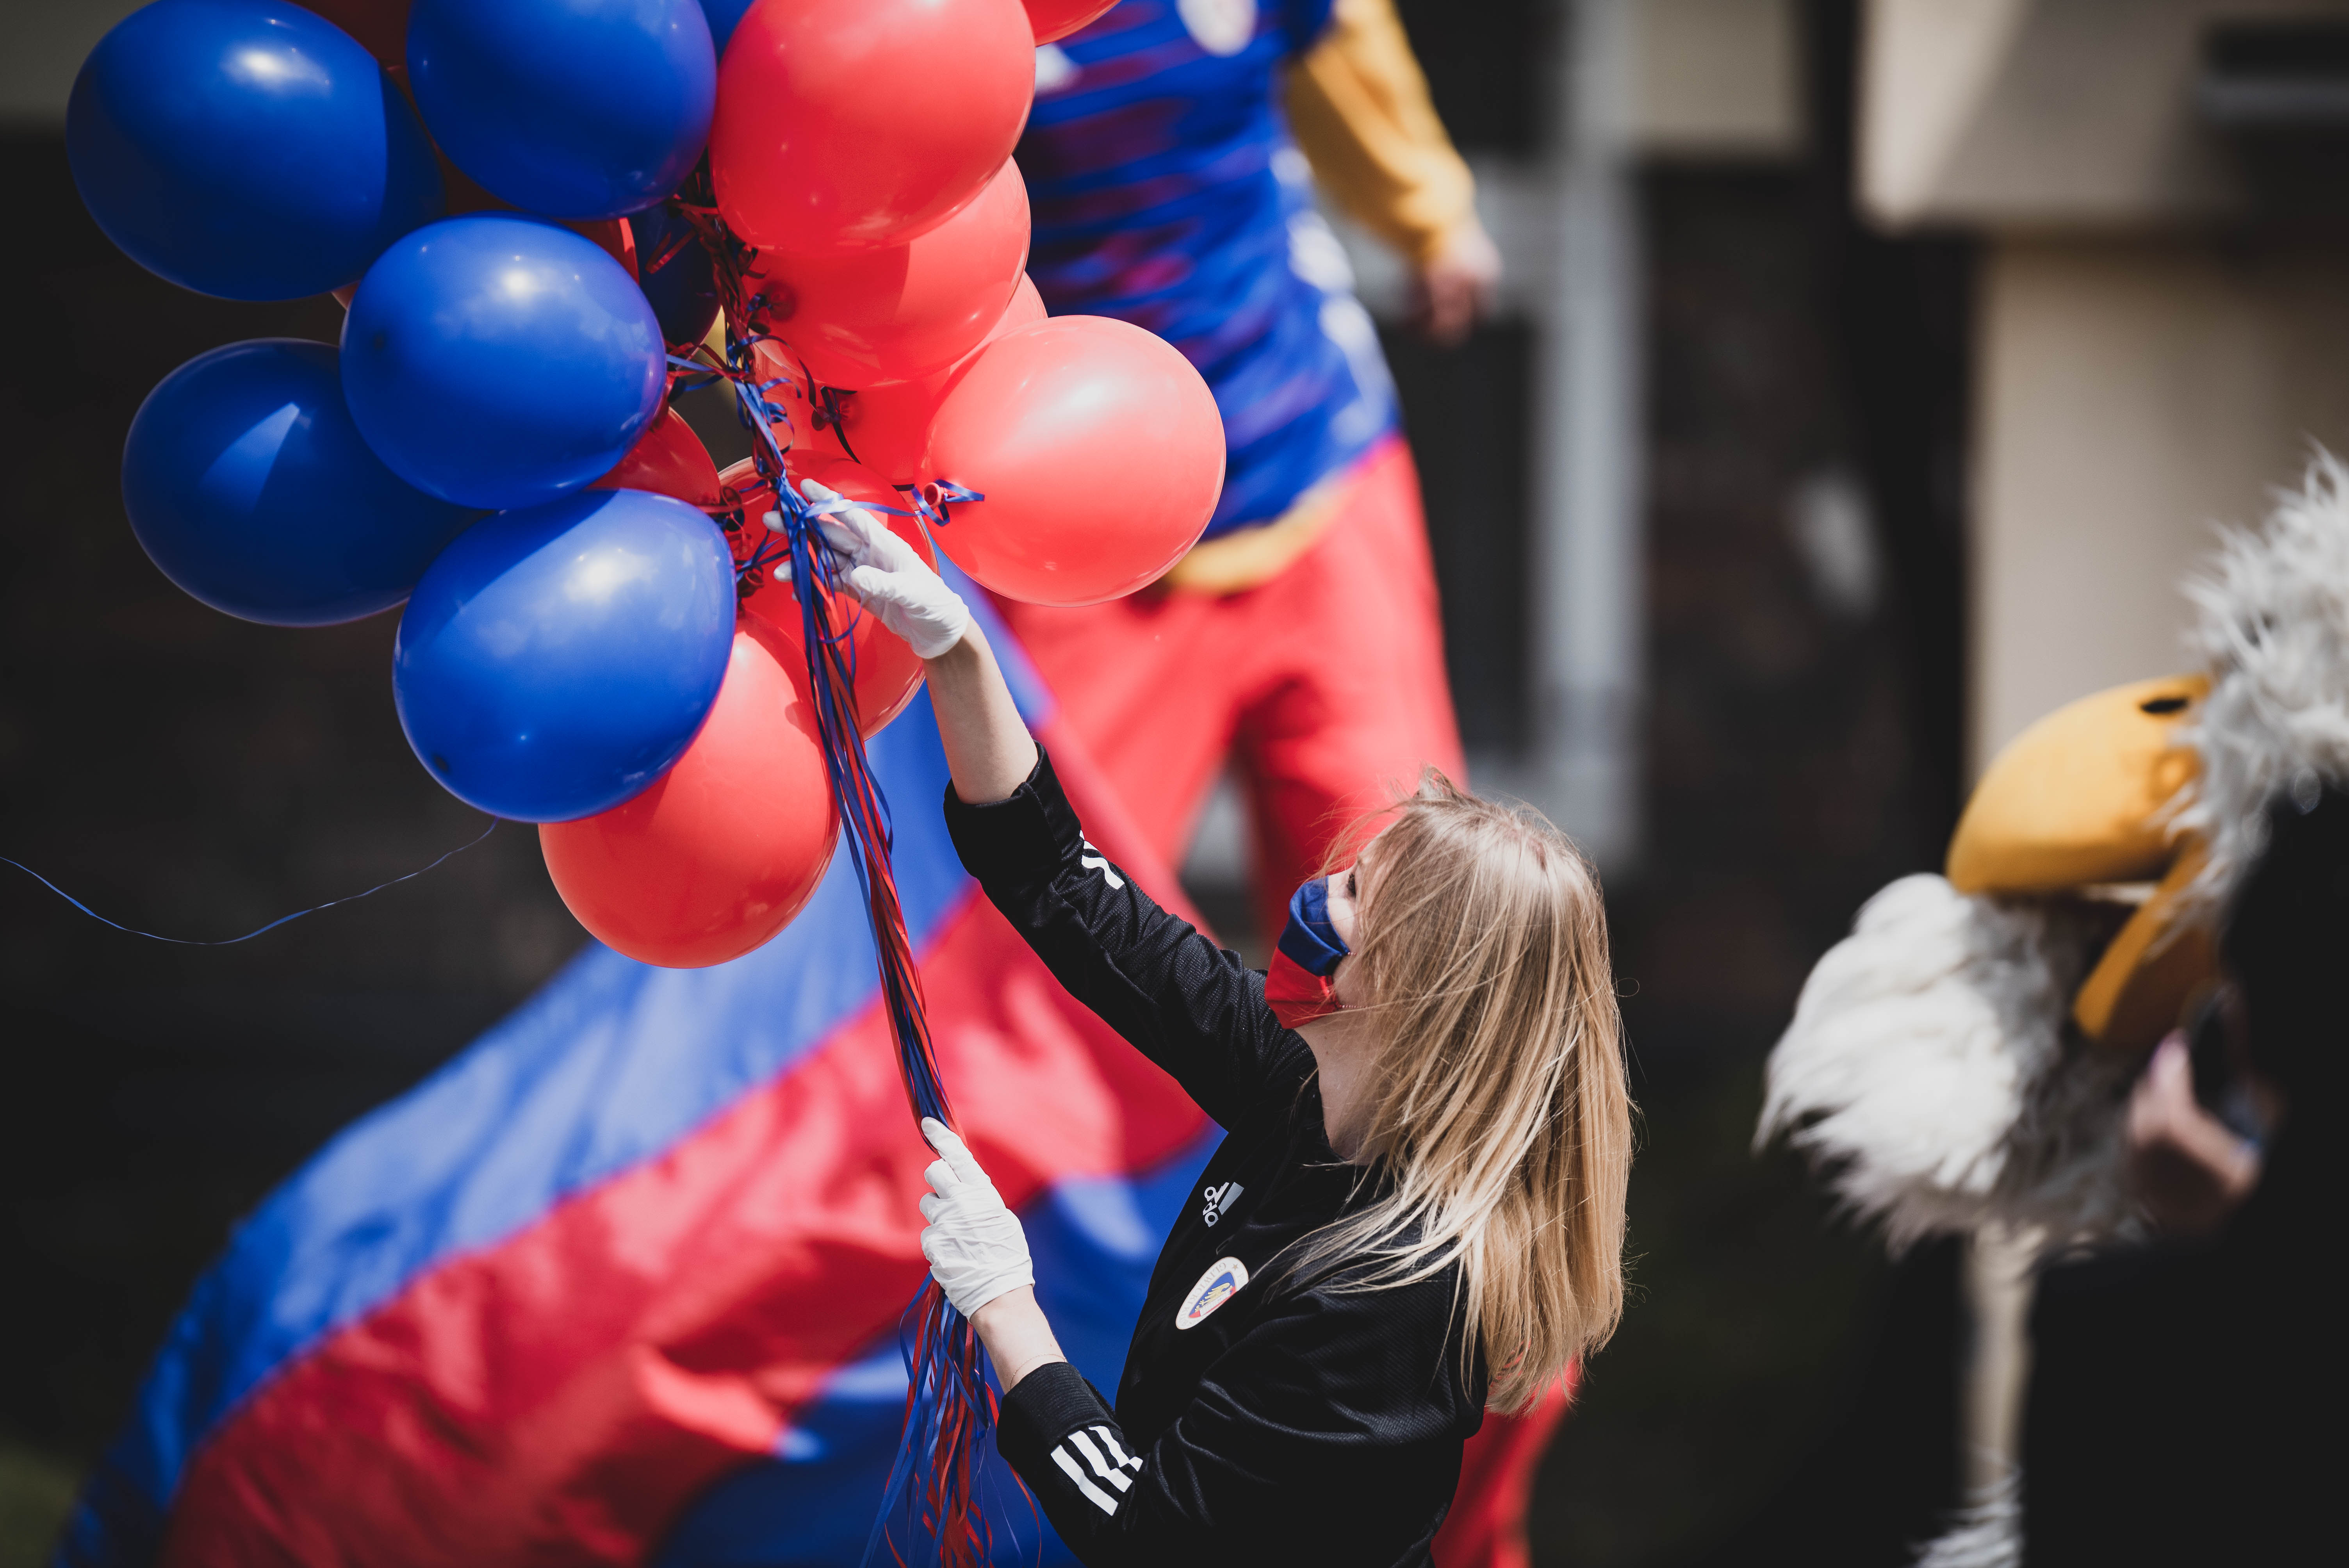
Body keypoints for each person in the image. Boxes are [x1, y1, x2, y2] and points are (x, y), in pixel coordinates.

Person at [797, 482, 1633, 1565]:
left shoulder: (1390, 1302)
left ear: (1410, 987)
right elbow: (1063, 882)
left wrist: (1005, 1307)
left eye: (1353, 899)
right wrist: (956, 647)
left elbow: (1150, 1539)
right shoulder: (1301, 1090)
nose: (1313, 899)